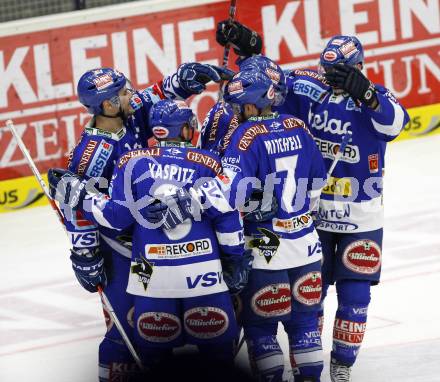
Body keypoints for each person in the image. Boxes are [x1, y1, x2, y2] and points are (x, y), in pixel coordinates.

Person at [216, 22, 410, 381]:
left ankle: (341, 365)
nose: (330, 78)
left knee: (356, 297)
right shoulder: (308, 85)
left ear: (359, 67)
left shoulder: (376, 95)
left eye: (339, 72)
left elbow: (397, 123)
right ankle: (308, 364)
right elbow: (265, 81)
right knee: (310, 298)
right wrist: (250, 49)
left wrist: (366, 94)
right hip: (313, 215)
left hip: (361, 216)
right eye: (326, 69)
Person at [49, 98, 253, 380]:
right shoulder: (209, 162)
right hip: (204, 277)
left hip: (151, 282)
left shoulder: (131, 161)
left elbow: (115, 216)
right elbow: (228, 218)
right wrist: (234, 257)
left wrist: (78, 194)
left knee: (153, 360)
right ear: (184, 130)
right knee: (217, 355)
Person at [220, 68, 327, 382]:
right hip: (306, 243)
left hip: (266, 246)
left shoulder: (245, 134)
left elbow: (232, 194)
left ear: (251, 106)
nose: (235, 114)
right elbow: (318, 181)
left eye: (238, 108)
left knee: (261, 327)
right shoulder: (297, 126)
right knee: (306, 324)